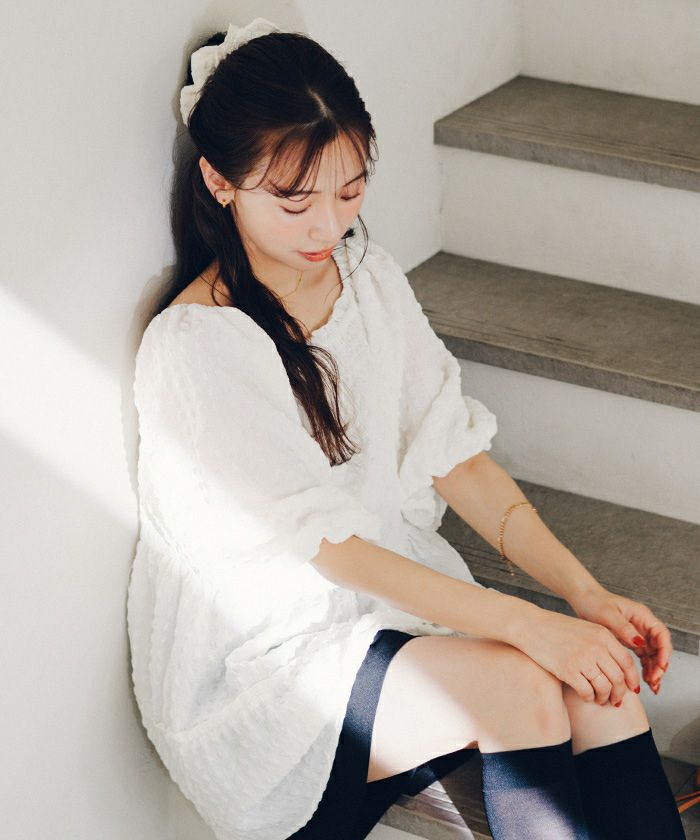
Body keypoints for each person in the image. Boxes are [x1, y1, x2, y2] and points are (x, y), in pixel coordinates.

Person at [126, 18, 687, 840]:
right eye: (294, 201)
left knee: (601, 685)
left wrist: (584, 595)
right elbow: (333, 552)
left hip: (383, 610)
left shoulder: (367, 276)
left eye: (350, 192)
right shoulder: (198, 347)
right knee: (524, 682)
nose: (327, 227)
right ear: (219, 182)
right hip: (266, 665)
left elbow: (453, 453)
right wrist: (528, 623)